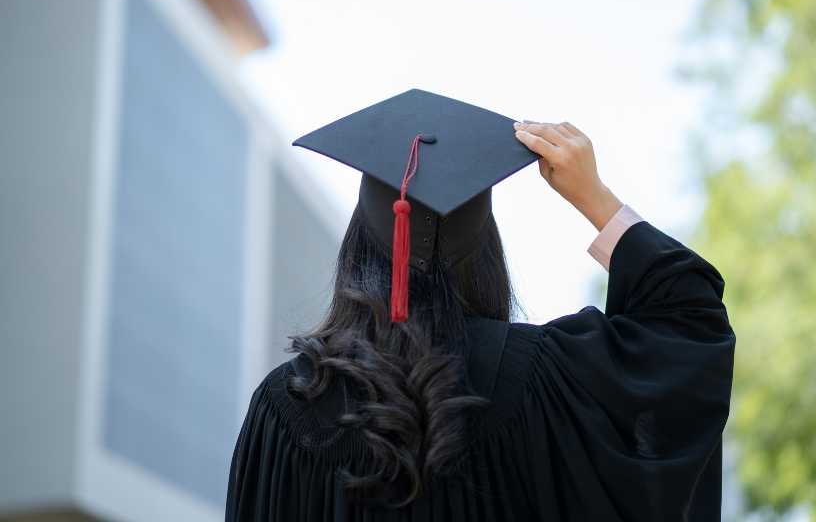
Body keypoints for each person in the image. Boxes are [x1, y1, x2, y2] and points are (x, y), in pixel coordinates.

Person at [225, 89, 735, 521]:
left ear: (361, 247)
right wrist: (596, 198)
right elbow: (690, 322)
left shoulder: (286, 406)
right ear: (485, 251)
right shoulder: (553, 381)